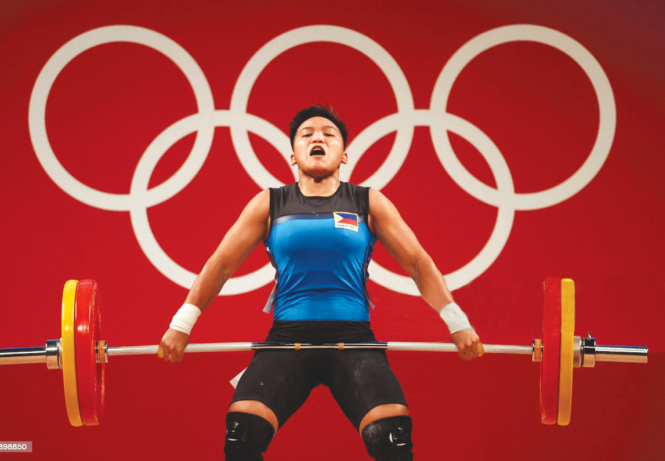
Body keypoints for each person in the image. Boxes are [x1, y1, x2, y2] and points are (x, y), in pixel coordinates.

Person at [158, 105, 483, 460]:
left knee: (391, 438)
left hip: (353, 340)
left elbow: (418, 263)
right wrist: (182, 324)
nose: (317, 138)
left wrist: (457, 322)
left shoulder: (367, 201)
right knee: (241, 435)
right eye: (306, 134)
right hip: (287, 340)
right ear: (293, 156)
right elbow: (220, 265)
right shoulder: (269, 203)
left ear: (344, 154)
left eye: (329, 134)